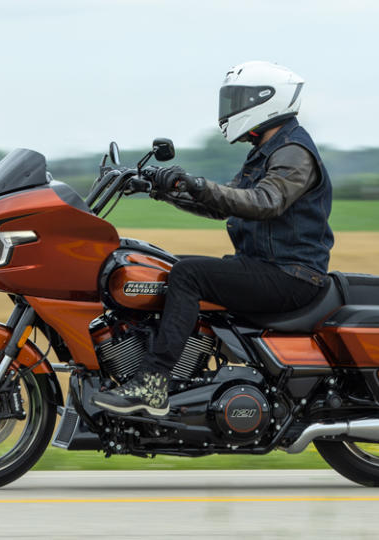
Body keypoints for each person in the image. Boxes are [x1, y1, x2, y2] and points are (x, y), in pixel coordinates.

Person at [93, 61, 334, 416]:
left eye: (239, 98)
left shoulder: (294, 153)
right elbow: (224, 206)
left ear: (267, 100)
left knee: (188, 274)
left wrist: (194, 183)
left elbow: (265, 202)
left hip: (291, 274)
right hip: (265, 267)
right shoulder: (268, 151)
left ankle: (153, 382)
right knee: (161, 266)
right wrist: (162, 190)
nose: (232, 108)